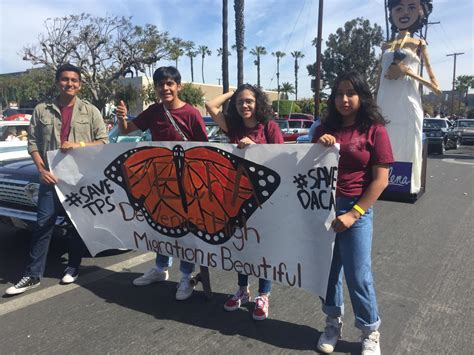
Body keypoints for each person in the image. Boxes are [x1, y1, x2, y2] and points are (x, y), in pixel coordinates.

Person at [5, 63, 108, 295]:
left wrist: (78, 145)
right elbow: (33, 144)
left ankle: (73, 266)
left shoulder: (90, 111)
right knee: (43, 224)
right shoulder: (42, 110)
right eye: (65, 79)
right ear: (57, 82)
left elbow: (103, 142)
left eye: (74, 80)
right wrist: (41, 170)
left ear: (80, 85)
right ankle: (32, 275)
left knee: (74, 225)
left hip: (78, 180)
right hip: (49, 178)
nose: (69, 83)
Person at [312, 71, 394, 355]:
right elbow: (305, 168)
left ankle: (370, 330)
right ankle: (332, 322)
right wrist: (316, 144)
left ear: (362, 96)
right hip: (322, 209)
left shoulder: (375, 130)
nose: (344, 99)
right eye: (338, 94)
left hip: (355, 211)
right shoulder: (323, 128)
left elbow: (380, 180)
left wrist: (354, 213)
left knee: (358, 275)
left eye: (350, 93)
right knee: (329, 273)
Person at [116, 66, 208, 301]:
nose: (165, 88)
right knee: (160, 227)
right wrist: (121, 117)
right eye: (160, 84)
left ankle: (186, 277)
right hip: (159, 182)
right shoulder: (153, 112)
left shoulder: (191, 114)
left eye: (169, 83)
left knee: (185, 232)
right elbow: (127, 130)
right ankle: (160, 269)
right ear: (156, 88)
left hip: (186, 185)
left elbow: (205, 151)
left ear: (179, 86)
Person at [205, 84, 284, 320]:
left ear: (258, 102)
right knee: (241, 245)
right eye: (240, 102)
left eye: (249, 101)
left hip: (263, 198)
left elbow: (281, 160)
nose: (244, 106)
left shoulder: (269, 127)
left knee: (263, 248)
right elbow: (210, 105)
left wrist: (257, 148)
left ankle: (263, 294)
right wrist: (233, 91)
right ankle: (242, 289)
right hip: (236, 197)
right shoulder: (234, 127)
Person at [376, 0, 440, 195]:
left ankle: (406, 184)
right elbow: (378, 80)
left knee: (407, 142)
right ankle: (379, 182)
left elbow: (436, 87)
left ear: (420, 11)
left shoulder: (419, 44)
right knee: (381, 143)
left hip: (407, 103)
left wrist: (407, 72)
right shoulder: (386, 46)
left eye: (411, 7)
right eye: (399, 8)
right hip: (384, 104)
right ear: (392, 12)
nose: (404, 12)